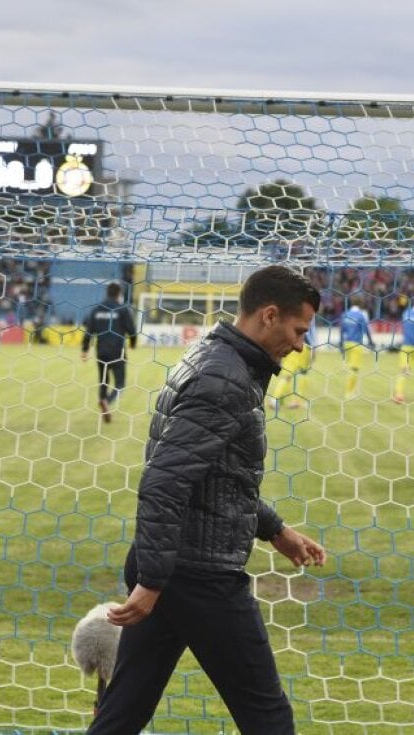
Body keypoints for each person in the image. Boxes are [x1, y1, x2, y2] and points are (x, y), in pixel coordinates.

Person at [87, 265, 327, 735]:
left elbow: (216, 478)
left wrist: (276, 530)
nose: (301, 344)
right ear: (269, 315)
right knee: (268, 717)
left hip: (175, 569)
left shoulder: (216, 360)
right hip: (200, 576)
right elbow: (165, 481)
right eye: (299, 330)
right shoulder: (225, 378)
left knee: (122, 715)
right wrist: (154, 581)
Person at [81, 281, 139, 423]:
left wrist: (84, 350)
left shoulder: (97, 309)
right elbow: (132, 330)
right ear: (119, 294)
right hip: (117, 351)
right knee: (120, 384)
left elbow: (88, 331)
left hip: (101, 351)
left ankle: (103, 401)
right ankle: (107, 401)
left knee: (103, 381)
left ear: (106, 293)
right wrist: (133, 343)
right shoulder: (122, 309)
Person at [269, 316, 316, 410]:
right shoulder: (309, 311)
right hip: (302, 345)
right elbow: (311, 331)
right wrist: (313, 347)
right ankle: (295, 401)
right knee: (303, 373)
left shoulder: (289, 308)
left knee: (287, 374)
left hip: (288, 344)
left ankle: (276, 399)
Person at [339, 297, 376, 399]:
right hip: (356, 344)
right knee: (354, 369)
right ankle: (348, 393)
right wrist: (371, 342)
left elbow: (341, 330)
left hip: (346, 344)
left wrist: (341, 343)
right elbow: (366, 329)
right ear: (361, 304)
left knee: (351, 368)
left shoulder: (345, 314)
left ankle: (353, 391)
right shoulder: (361, 315)